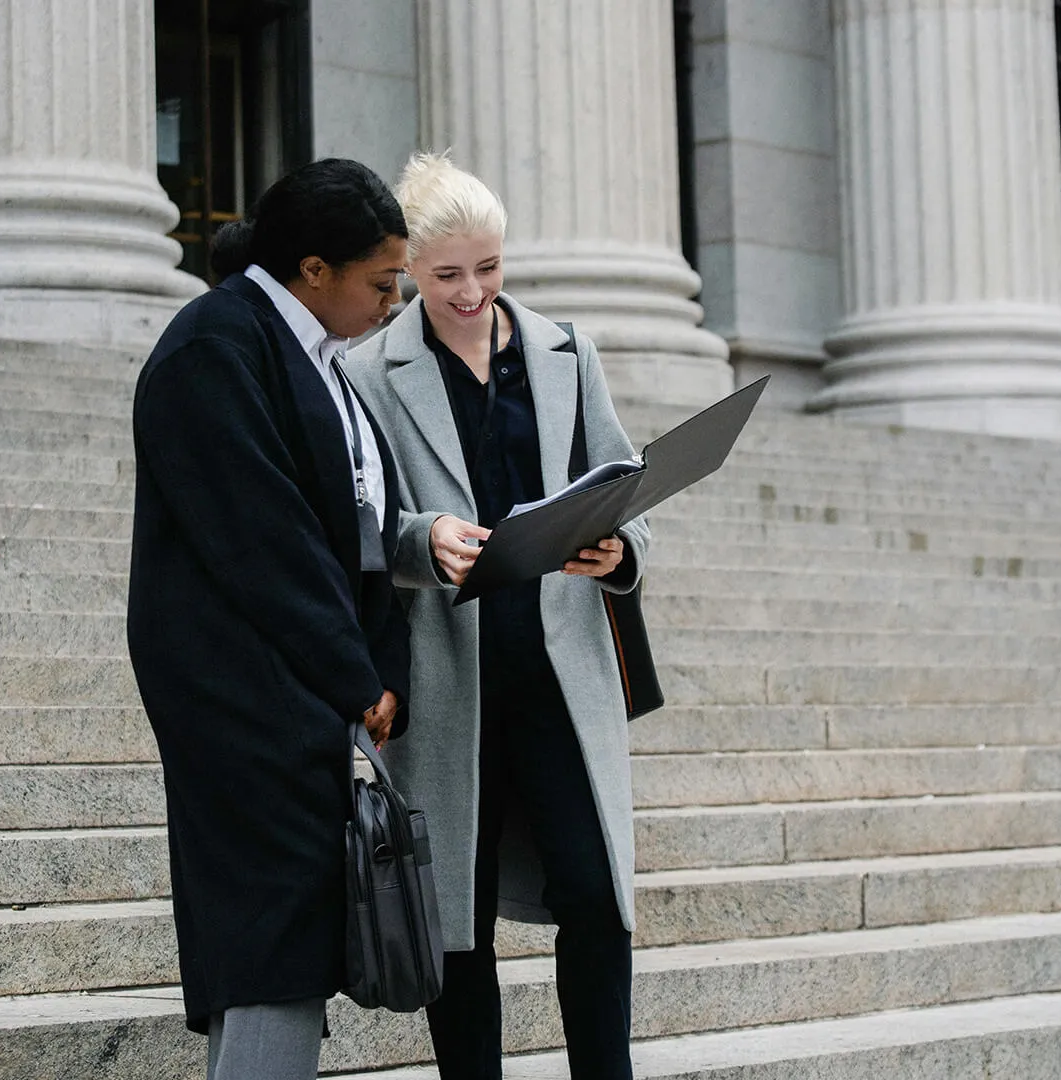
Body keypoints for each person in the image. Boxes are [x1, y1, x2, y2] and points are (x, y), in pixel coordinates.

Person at [346, 152, 649, 1080]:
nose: (472, 292)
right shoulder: (369, 369)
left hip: (562, 674)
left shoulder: (568, 351)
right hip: (447, 679)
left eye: (489, 267)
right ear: (409, 272)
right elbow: (354, 517)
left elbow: (622, 483)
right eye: (445, 276)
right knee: (457, 928)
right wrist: (418, 539)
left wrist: (618, 551)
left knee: (598, 901)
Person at [126, 158, 411, 1080]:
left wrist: (374, 663)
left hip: (293, 701)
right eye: (382, 282)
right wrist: (355, 672)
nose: (394, 301)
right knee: (269, 946)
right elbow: (263, 538)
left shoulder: (307, 353)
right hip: (243, 700)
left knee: (280, 943)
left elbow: (355, 526)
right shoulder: (217, 343)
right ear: (315, 269)